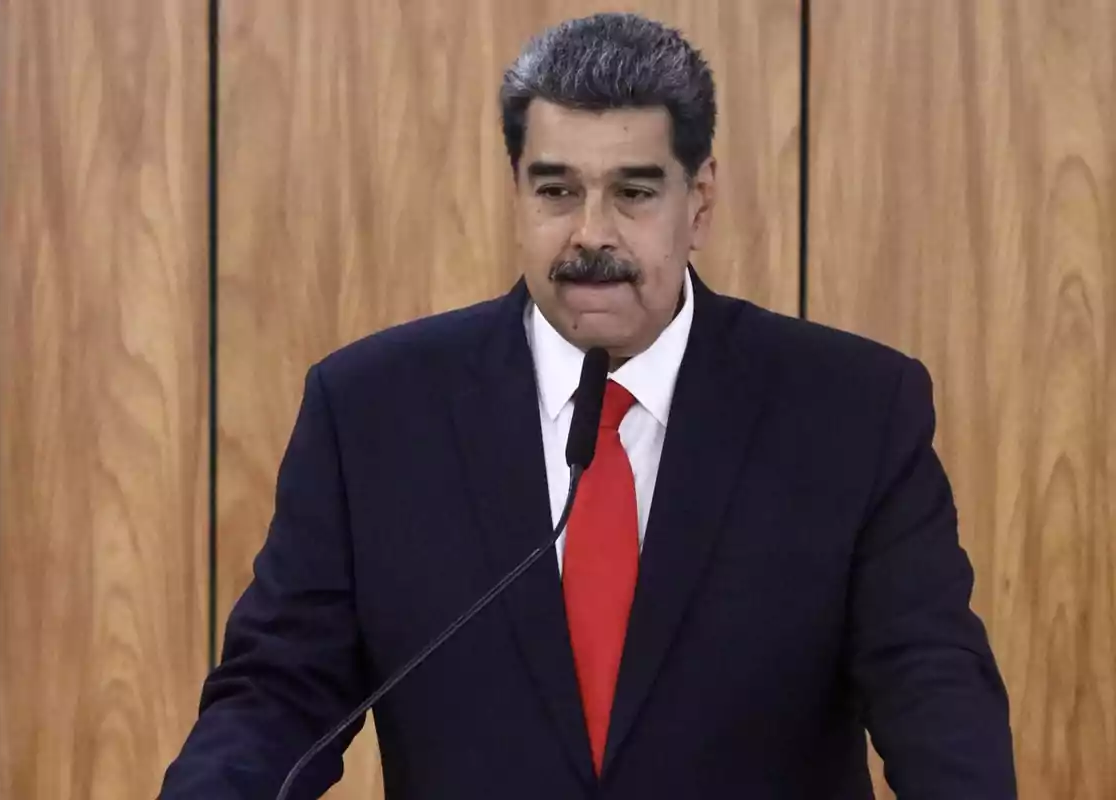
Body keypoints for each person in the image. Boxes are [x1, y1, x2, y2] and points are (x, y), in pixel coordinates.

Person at [159, 12, 1016, 799]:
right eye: (557, 190)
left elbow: (935, 694)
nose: (591, 234)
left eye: (635, 193)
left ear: (700, 201)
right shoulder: (374, 413)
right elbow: (277, 695)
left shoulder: (850, 412)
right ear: (517, 188)